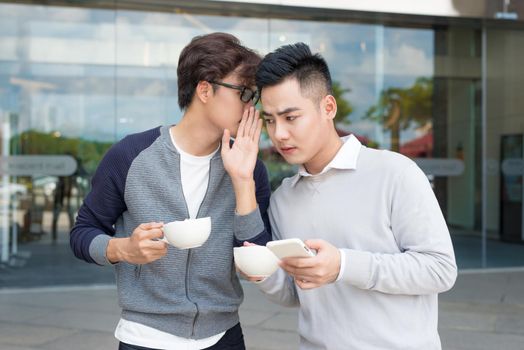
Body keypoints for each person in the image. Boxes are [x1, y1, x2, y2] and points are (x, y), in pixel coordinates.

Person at [248, 43, 457, 349]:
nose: (278, 133)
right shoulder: (283, 200)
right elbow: (294, 294)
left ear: (328, 108)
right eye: (269, 120)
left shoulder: (394, 172)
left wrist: (344, 265)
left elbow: (440, 270)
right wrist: (261, 272)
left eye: (290, 117)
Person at [70, 32, 271, 350]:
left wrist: (243, 180)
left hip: (224, 336)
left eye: (254, 97)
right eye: (244, 93)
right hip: (144, 337)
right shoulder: (131, 155)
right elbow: (82, 233)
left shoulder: (249, 166)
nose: (251, 109)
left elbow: (257, 259)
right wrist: (124, 249)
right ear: (205, 89)